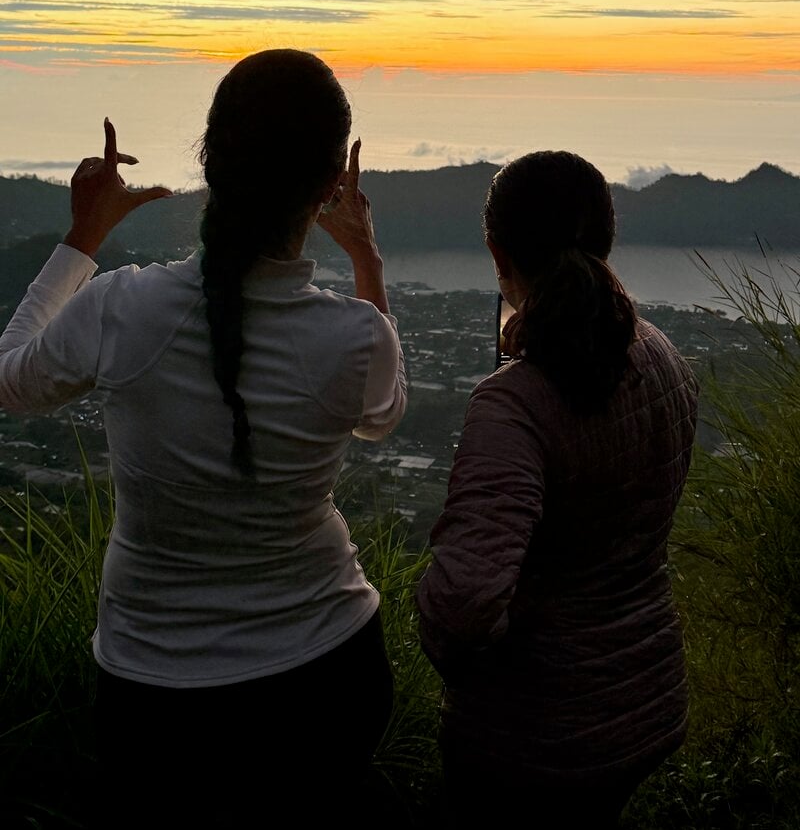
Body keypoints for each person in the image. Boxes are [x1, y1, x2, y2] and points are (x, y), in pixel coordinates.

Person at [0, 50, 406, 827]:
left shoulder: (121, 308)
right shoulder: (354, 337)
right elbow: (384, 414)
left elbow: (9, 379)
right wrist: (365, 255)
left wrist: (82, 238)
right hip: (329, 678)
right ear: (329, 186)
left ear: (210, 163)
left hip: (157, 699)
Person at [416, 150, 698, 829]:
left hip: (535, 737)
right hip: (649, 700)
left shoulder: (514, 404)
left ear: (496, 253)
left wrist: (444, 642)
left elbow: (463, 605)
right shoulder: (664, 357)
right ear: (606, 238)